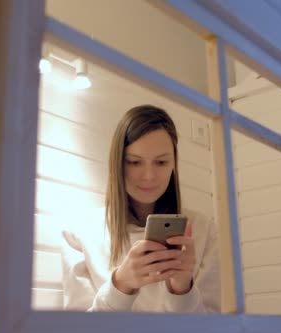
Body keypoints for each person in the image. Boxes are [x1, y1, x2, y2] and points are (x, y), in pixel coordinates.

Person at [61, 104, 220, 313]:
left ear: (174, 164)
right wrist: (120, 284)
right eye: (135, 162)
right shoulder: (79, 234)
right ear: (118, 163)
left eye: (161, 162)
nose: (149, 176)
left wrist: (183, 290)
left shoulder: (204, 231)